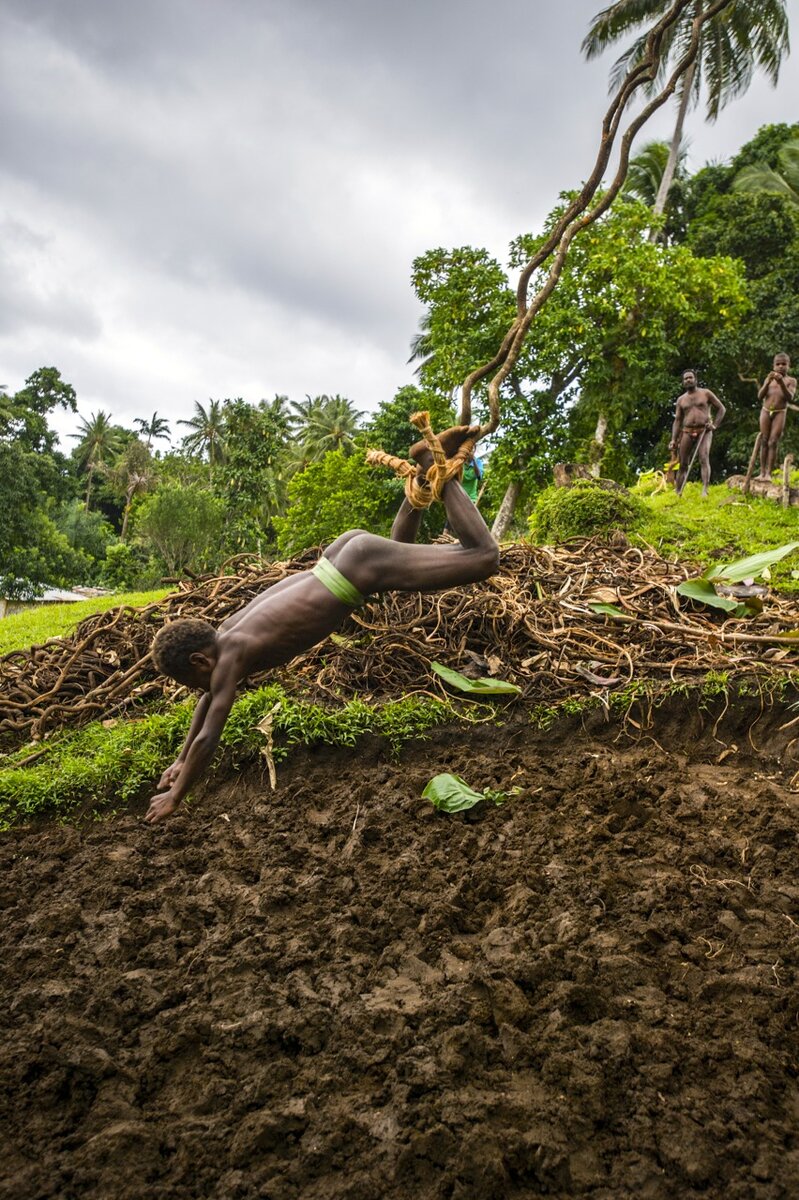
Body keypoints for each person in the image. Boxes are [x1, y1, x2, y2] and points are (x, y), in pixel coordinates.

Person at [145, 425, 499, 824]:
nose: (197, 690)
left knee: (484, 557)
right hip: (343, 557)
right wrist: (179, 758)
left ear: (199, 661)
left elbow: (211, 735)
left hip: (357, 566)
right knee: (403, 576)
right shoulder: (225, 633)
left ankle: (430, 462)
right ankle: (422, 476)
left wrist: (176, 796)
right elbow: (206, 702)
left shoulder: (230, 656)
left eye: (188, 682)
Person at [669, 369, 726, 497]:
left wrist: (715, 425)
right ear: (683, 382)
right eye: (685, 379)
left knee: (703, 457)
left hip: (704, 431)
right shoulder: (681, 400)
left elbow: (721, 408)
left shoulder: (706, 393)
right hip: (687, 431)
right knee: (683, 463)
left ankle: (705, 489)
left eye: (690, 378)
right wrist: (673, 439)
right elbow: (677, 420)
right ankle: (678, 492)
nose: (688, 380)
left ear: (695, 379)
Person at [757, 353, 797, 481]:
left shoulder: (791, 381)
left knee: (773, 442)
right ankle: (761, 472)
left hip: (780, 412)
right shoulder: (769, 378)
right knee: (763, 440)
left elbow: (790, 397)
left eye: (783, 364)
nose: (780, 367)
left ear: (788, 366)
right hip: (765, 410)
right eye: (778, 364)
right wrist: (767, 382)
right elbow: (760, 396)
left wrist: (781, 383)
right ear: (773, 366)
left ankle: (768, 474)